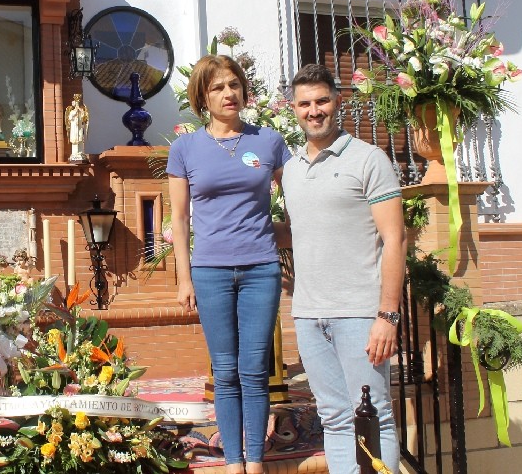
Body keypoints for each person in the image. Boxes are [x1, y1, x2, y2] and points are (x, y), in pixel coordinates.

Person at [167, 55, 289, 474]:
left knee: (255, 369)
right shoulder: (185, 148)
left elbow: (297, 202)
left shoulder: (268, 142)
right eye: (218, 87)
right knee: (225, 370)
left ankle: (254, 460)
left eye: (234, 85)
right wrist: (184, 277)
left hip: (260, 268)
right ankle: (233, 462)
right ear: (203, 96)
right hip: (211, 272)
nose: (229, 94)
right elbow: (179, 220)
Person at [282, 63, 405, 474]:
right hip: (309, 314)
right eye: (305, 104)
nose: (313, 111)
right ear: (293, 109)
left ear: (338, 102)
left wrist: (387, 315)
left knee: (373, 414)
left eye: (321, 101)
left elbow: (394, 240)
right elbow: (303, 229)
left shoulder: (370, 159)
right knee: (334, 418)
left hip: (359, 313)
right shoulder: (293, 168)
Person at [65, 93, 89, 163]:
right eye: (76, 103)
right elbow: (69, 118)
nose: (76, 104)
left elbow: (84, 118)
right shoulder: (72, 111)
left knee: (81, 139)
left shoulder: (81, 110)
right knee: (75, 140)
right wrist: (75, 112)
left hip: (79, 128)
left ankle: (80, 153)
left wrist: (80, 111)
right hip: (74, 128)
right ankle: (75, 153)